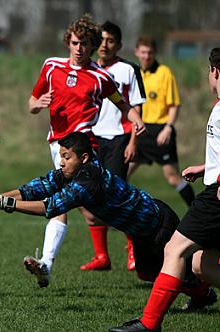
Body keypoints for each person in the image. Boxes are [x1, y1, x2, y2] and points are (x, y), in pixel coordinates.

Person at [0, 131, 215, 307]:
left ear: (85, 158)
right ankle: (200, 291)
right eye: (60, 157)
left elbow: (50, 206)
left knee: (195, 267)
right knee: (148, 273)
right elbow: (36, 189)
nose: (62, 162)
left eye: (66, 157)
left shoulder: (90, 182)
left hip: (159, 224)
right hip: (141, 230)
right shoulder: (70, 172)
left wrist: (4, 204)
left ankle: (203, 291)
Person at [109, 46, 220, 332]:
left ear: (214, 72)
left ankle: (149, 325)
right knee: (203, 266)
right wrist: (205, 168)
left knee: (175, 249)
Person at [27, 15, 145, 286]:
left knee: (62, 202)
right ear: (68, 42)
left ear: (93, 46)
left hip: (81, 148)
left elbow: (122, 104)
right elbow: (32, 101)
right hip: (57, 144)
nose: (80, 49)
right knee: (96, 208)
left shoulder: (99, 77)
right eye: (75, 43)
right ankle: (141, 238)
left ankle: (46, 263)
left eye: (86, 44)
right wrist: (37, 104)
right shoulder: (51, 67)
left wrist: (135, 118)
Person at [82, 21, 146, 271]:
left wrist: (133, 141)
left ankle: (133, 249)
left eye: (111, 41)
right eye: (102, 40)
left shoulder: (128, 69)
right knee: (86, 195)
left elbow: (137, 107)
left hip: (118, 139)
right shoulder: (89, 69)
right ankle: (102, 257)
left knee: (115, 196)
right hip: (91, 138)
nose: (105, 45)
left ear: (119, 45)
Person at [129, 36, 195, 207]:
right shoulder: (133, 73)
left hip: (160, 131)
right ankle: (118, 216)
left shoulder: (164, 73)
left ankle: (197, 210)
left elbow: (174, 104)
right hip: (140, 131)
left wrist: (168, 128)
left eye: (149, 52)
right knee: (121, 174)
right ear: (137, 52)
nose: (146, 56)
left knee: (173, 177)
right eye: (143, 52)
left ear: (155, 53)